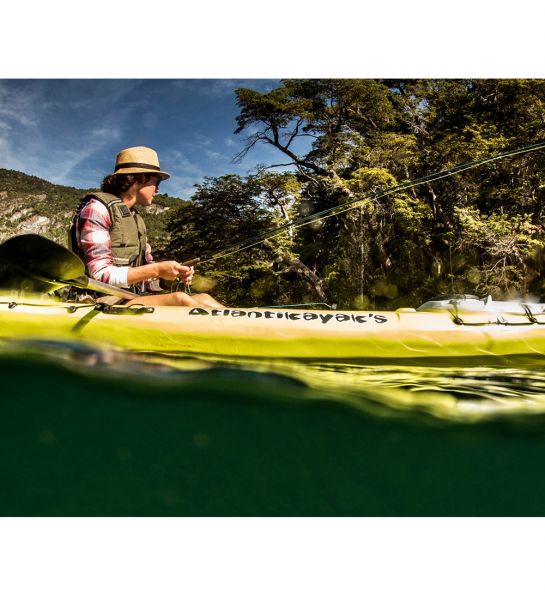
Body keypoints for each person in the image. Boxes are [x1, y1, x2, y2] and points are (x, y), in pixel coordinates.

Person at [69, 146, 223, 307]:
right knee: (180, 300)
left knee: (204, 298)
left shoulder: (137, 221)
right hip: (96, 302)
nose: (158, 189)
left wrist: (167, 278)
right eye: (156, 181)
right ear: (138, 179)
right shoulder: (97, 208)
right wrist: (157, 269)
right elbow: (99, 274)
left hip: (128, 298)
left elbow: (147, 283)